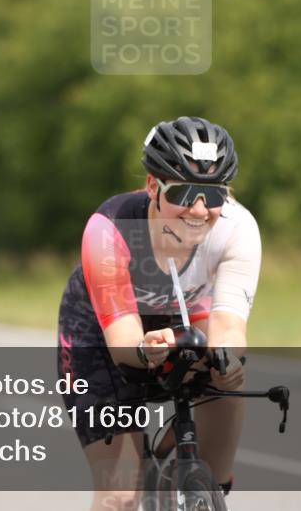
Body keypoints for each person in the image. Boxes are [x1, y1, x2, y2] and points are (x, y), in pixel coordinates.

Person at [57, 116, 261, 511]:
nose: (199, 210)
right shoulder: (111, 226)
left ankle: (182, 468)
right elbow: (122, 343)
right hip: (102, 333)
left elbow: (230, 325)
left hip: (183, 321)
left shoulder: (238, 229)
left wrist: (228, 358)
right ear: (153, 186)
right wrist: (146, 346)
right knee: (120, 494)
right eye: (183, 193)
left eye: (214, 195)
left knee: (227, 375)